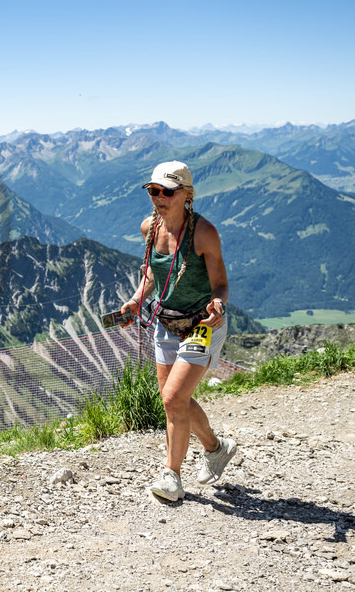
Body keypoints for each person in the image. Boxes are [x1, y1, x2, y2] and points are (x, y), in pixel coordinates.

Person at [119, 160, 237, 502]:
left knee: (173, 398)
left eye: (167, 192)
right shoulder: (149, 228)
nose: (158, 198)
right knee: (175, 400)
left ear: (187, 195)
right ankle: (216, 449)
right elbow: (152, 275)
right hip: (166, 323)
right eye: (153, 191)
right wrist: (136, 300)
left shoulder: (204, 233)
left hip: (202, 325)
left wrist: (218, 305)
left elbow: (221, 285)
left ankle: (172, 477)